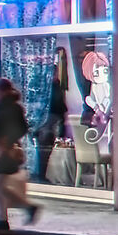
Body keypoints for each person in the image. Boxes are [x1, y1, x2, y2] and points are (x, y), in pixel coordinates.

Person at [0, 77, 40, 230]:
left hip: (3, 150)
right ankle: (20, 210)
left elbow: (20, 128)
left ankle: (1, 218)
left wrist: (5, 142)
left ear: (4, 91)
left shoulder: (12, 108)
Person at [35, 49, 72, 183]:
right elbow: (58, 106)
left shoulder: (49, 87)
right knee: (44, 151)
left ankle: (42, 174)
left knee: (45, 151)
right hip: (49, 122)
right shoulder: (51, 87)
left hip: (50, 122)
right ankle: (41, 175)